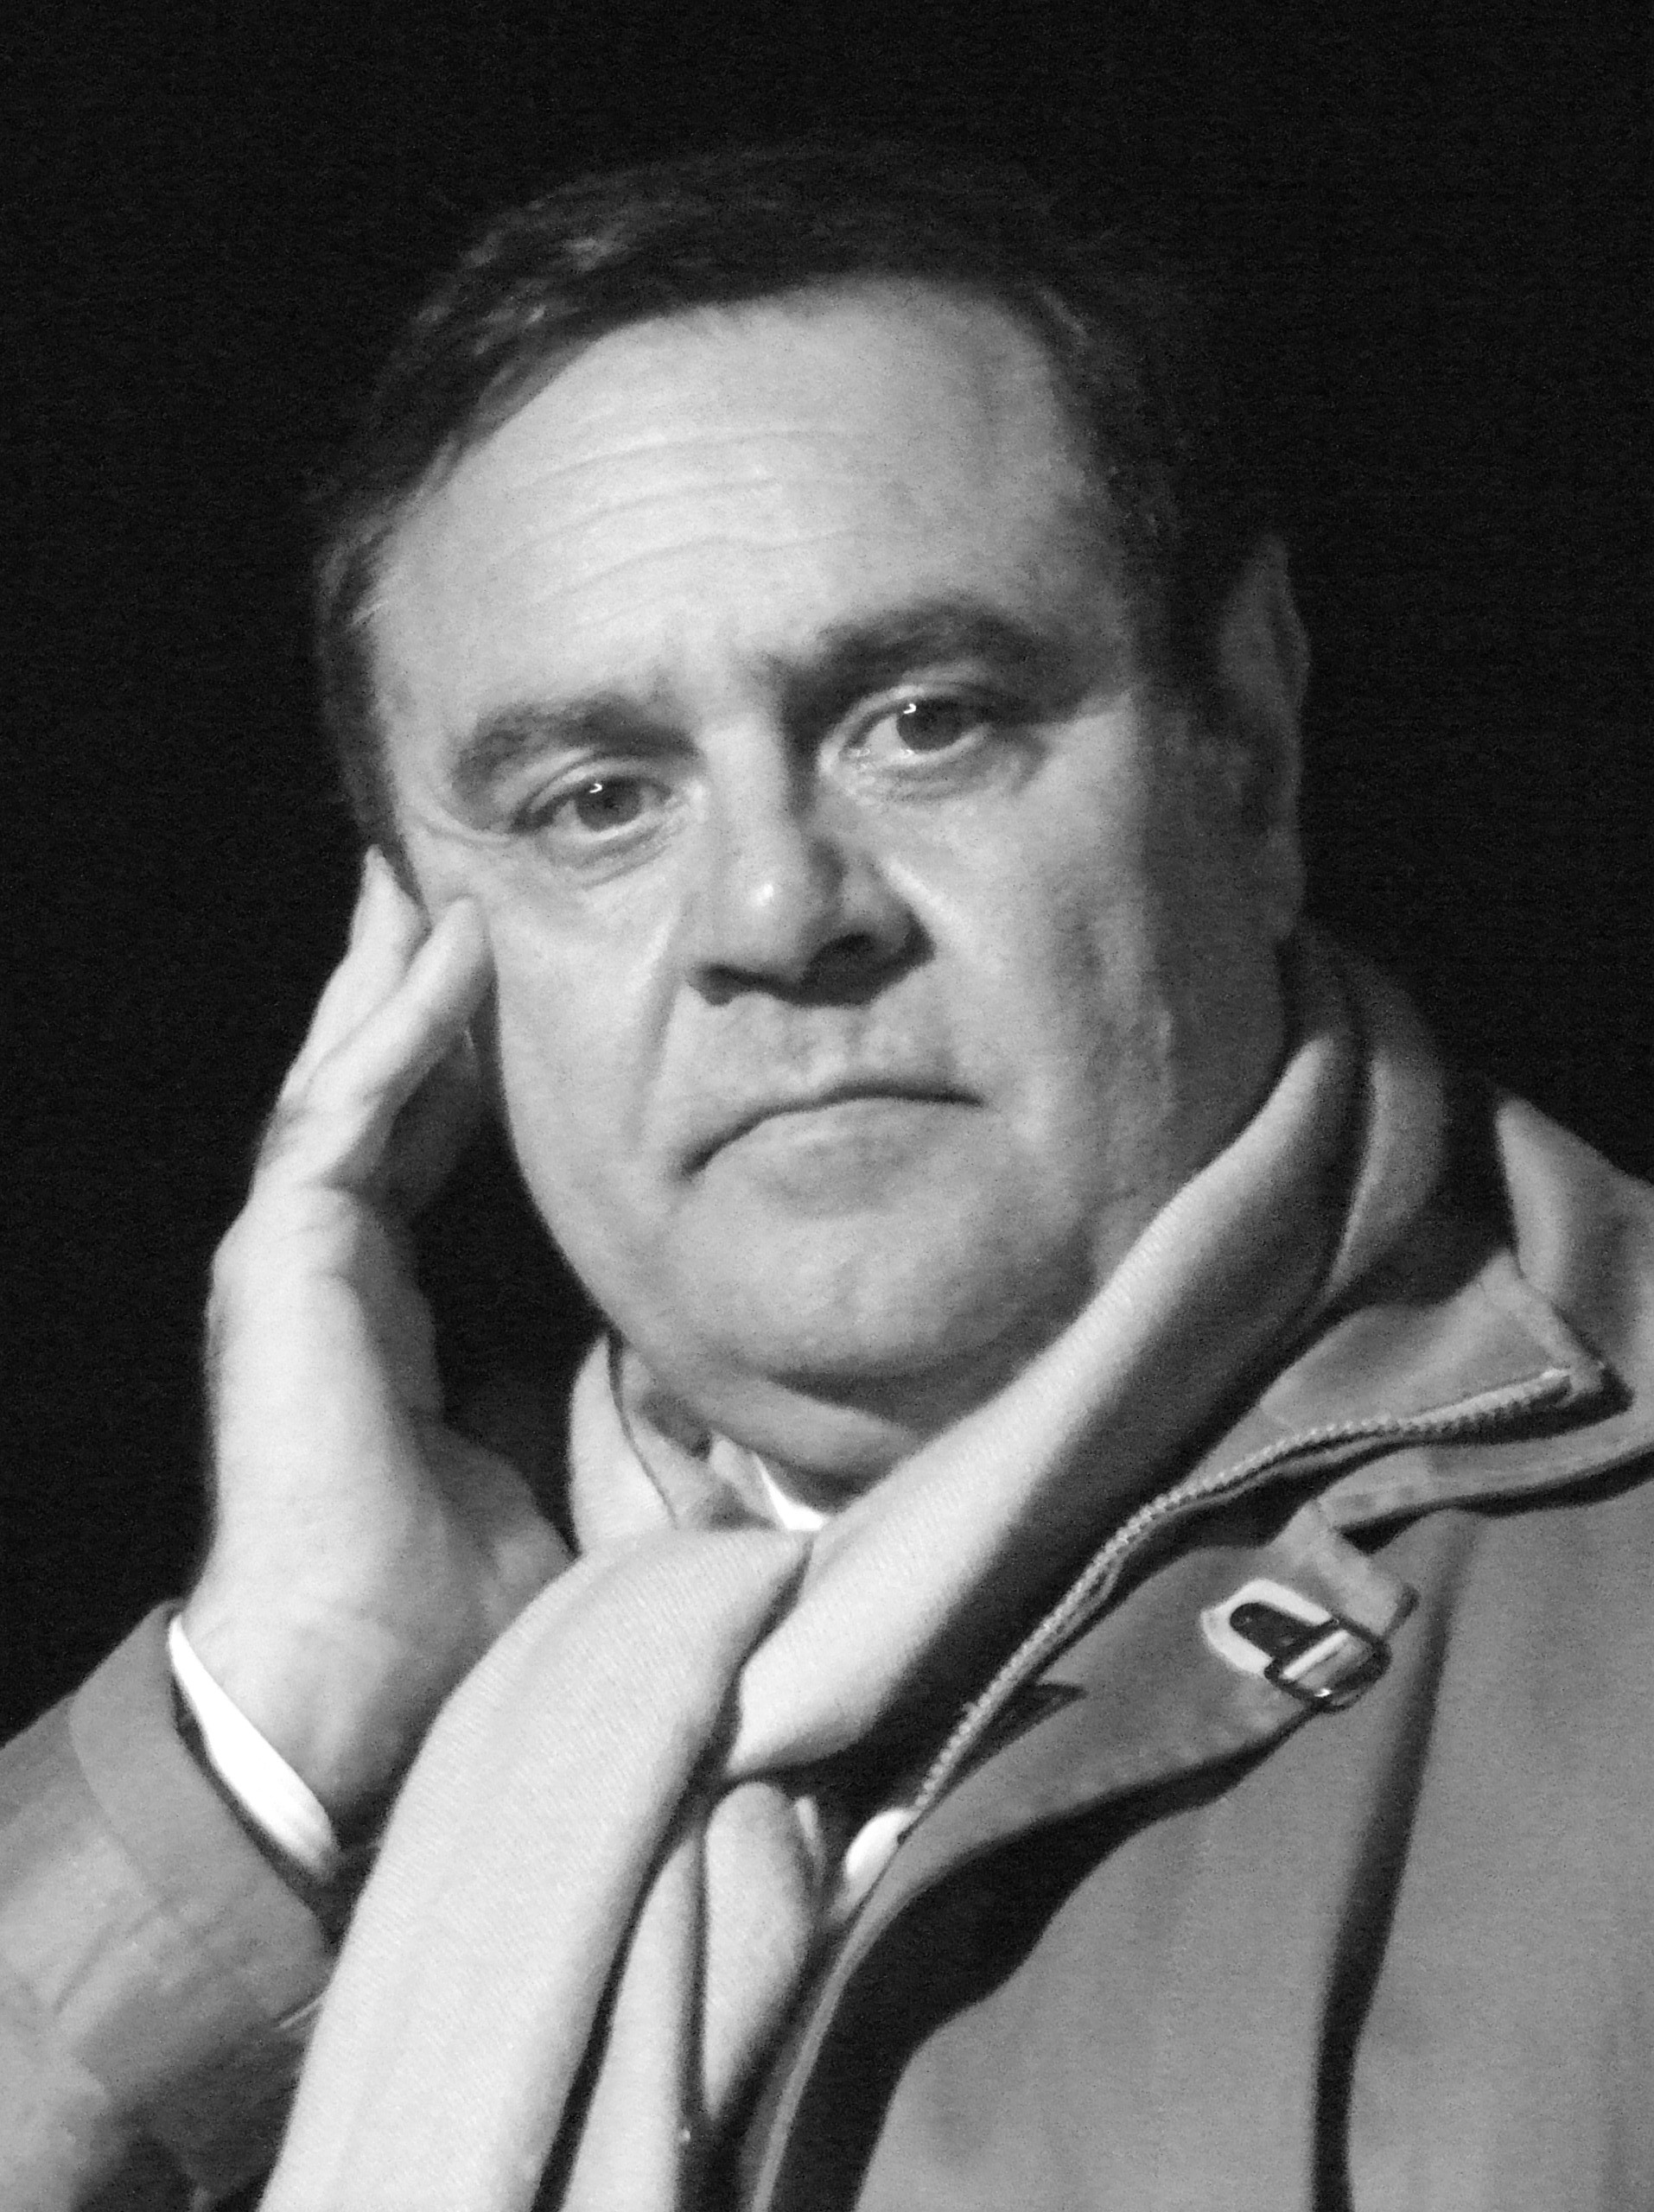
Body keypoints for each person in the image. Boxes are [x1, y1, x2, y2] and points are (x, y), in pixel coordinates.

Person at [3, 143, 1653, 2212]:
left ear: (1247, 741)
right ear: (413, 940)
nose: (779, 912)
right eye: (597, 800)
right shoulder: (387, 1719)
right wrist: (268, 1718)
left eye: (923, 720)